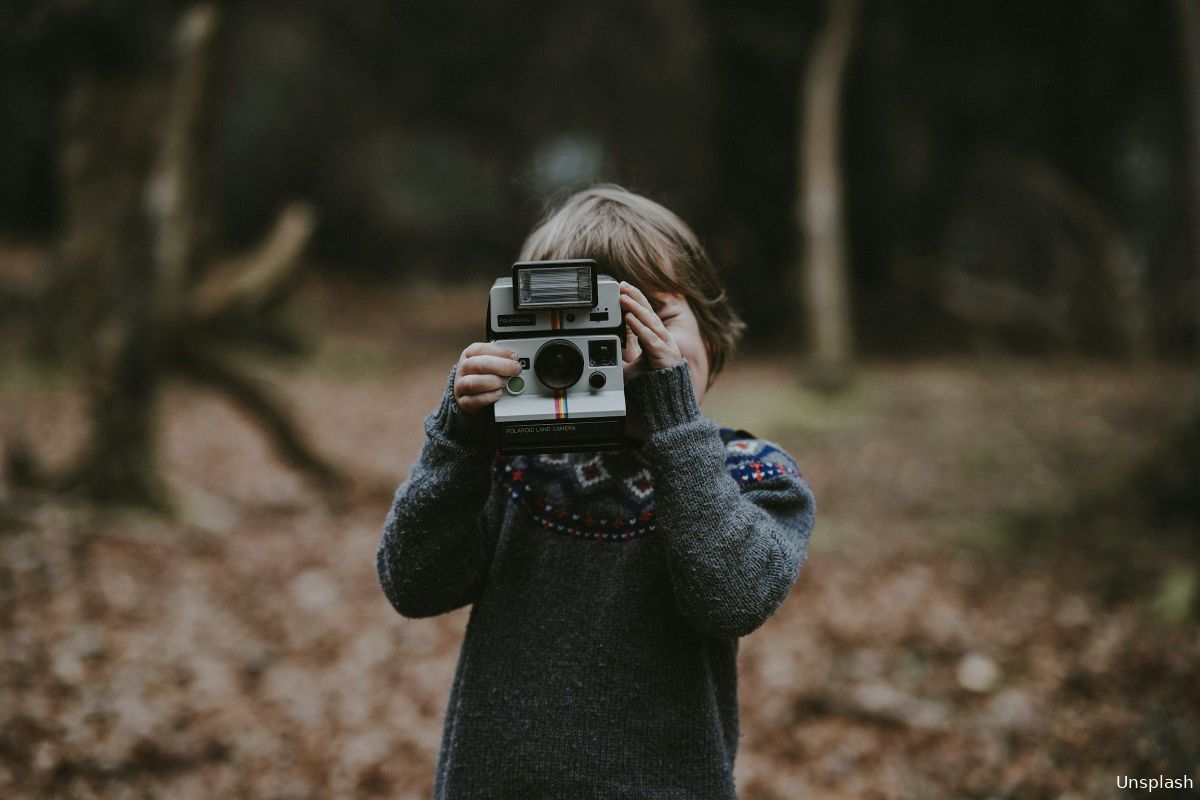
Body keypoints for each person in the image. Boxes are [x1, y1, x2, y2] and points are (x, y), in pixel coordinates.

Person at [376, 185, 816, 798]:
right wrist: (461, 437)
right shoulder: (512, 462)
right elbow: (415, 584)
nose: (625, 352)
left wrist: (673, 423)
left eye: (651, 318)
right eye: (593, 329)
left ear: (711, 332)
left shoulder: (751, 472)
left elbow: (733, 598)